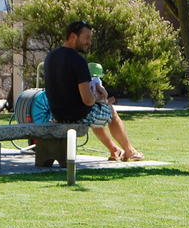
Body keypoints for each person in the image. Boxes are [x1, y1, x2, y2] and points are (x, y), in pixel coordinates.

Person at [44, 21, 144, 161]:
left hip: (57, 114)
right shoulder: (78, 61)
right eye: (87, 38)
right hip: (76, 115)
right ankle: (129, 151)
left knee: (95, 110)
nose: (89, 42)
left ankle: (114, 150)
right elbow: (87, 100)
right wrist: (100, 98)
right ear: (73, 37)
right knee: (109, 111)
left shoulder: (51, 57)